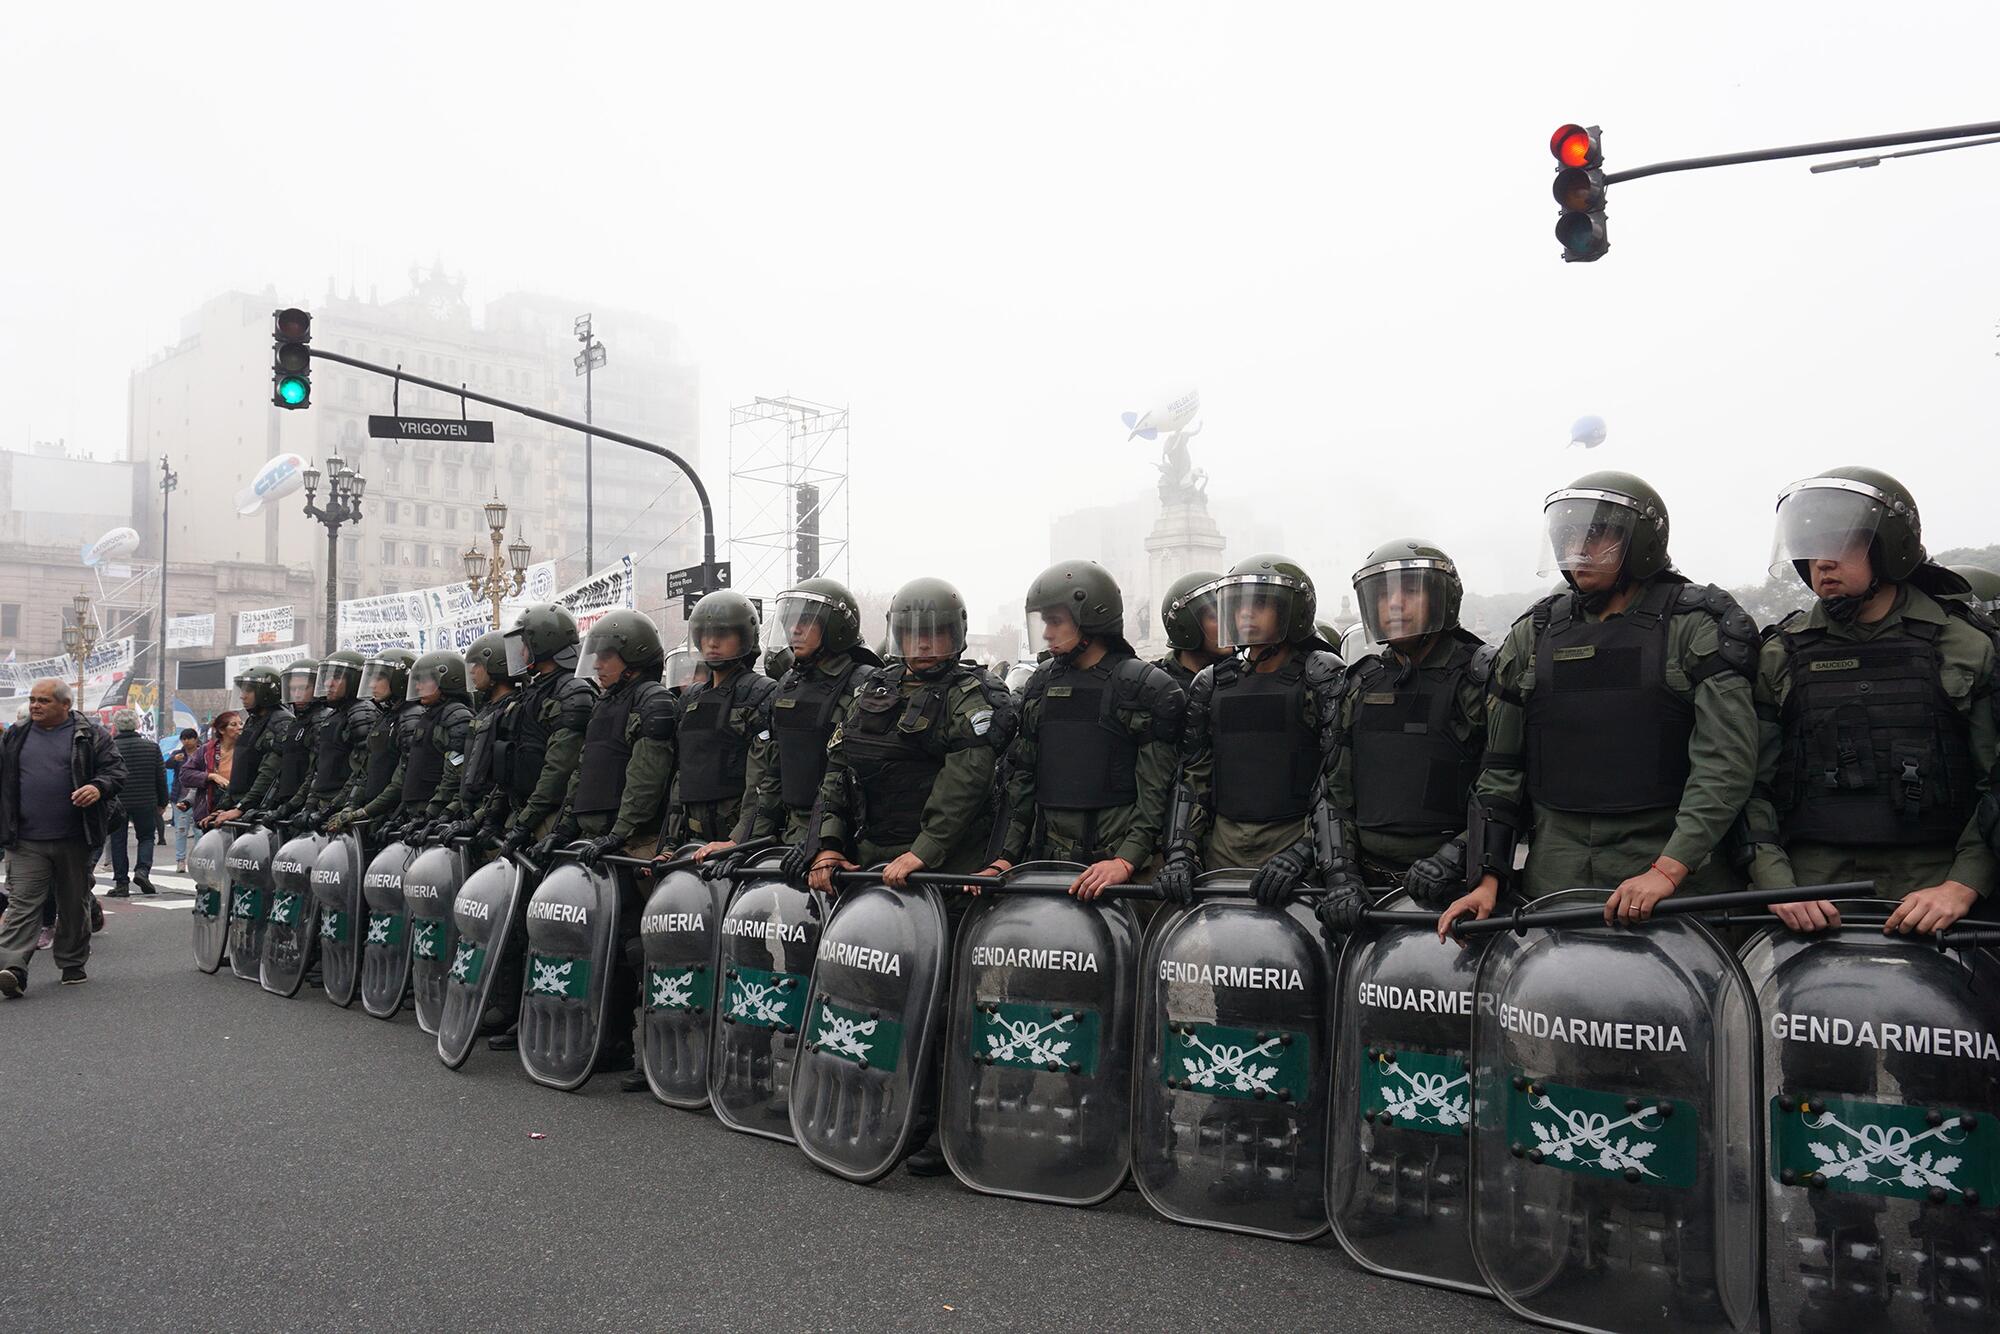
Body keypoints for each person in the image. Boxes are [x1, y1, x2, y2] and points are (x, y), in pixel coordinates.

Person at [1438, 471, 1760, 938]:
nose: (1579, 547)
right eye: (1567, 534)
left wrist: (1668, 869)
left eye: (1597, 533)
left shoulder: (1694, 625)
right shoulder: (1535, 631)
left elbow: (1725, 762)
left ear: (1641, 541)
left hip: (1670, 885)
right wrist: (1487, 878)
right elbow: (1502, 768)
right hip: (1556, 883)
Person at [806, 576, 1015, 1174]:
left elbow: (966, 785)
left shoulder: (977, 694)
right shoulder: (872, 688)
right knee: (868, 994)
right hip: (875, 865)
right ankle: (872, 1108)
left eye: (937, 634)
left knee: (943, 1004)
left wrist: (921, 854)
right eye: (913, 633)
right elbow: (838, 772)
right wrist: (827, 846)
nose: (924, 645)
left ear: (957, 635)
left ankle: (936, 1127)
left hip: (937, 874)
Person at [1747, 468, 1999, 934]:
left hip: (1934, 894)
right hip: (1811, 896)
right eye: (1811, 550)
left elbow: (1994, 783)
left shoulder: (1964, 646)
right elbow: (1751, 789)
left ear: (1889, 547)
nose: (1821, 564)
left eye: (1840, 545)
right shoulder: (1780, 654)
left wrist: (1963, 885)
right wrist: (1777, 885)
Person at [1157, 555, 1356, 917]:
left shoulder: (1320, 675)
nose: (1246, 614)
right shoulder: (1213, 682)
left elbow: (1337, 782)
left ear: (1290, 611)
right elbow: (1193, 777)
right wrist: (1180, 854)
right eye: (1239, 604)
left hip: (1293, 842)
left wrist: (1305, 853)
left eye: (1260, 604)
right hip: (1224, 847)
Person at [983, 560, 1184, 900]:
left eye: (1056, 621)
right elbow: (1022, 783)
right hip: (1047, 868)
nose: (1046, 633)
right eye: (1044, 622)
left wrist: (1127, 859)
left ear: (1092, 617)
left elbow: (1156, 791)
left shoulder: (1141, 687)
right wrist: (1004, 859)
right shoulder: (1041, 684)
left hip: (1117, 875)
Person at [547, 609, 681, 1080]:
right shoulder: (606, 702)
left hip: (632, 842)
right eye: (596, 654)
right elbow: (584, 771)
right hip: (599, 839)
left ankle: (656, 1055)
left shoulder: (653, 701)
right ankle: (611, 1040)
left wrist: (620, 834)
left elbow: (646, 778)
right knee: (597, 944)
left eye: (608, 655)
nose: (598, 663)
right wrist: (565, 827)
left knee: (638, 948)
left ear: (635, 657)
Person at [1326, 540, 1493, 906]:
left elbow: (1505, 787)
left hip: (1456, 886)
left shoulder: (1478, 678)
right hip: (1366, 885)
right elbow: (1334, 794)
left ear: (1442, 598)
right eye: (1383, 595)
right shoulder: (1360, 682)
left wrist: (1453, 857)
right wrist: (1341, 876)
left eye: (1411, 591)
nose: (1395, 604)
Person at [0, 679, 127, 995]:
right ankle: (13, 967)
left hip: (75, 837)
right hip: (26, 838)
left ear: (65, 705)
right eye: (32, 700)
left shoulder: (89, 735)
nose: (35, 706)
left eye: (43, 700)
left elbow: (116, 771)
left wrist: (97, 786)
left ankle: (72, 963)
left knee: (72, 904)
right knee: (22, 904)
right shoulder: (17, 735)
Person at [754, 580, 881, 860]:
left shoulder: (865, 682)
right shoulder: (787, 683)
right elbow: (775, 770)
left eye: (806, 620)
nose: (794, 629)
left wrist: (821, 842)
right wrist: (750, 841)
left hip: (844, 843)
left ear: (835, 627)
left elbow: (854, 773)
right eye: (790, 621)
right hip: (791, 835)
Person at [674, 590, 778, 860]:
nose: (711, 643)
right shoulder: (691, 698)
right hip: (694, 840)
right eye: (705, 635)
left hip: (740, 842)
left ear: (744, 637)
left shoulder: (760, 692)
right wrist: (669, 845)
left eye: (722, 634)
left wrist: (739, 841)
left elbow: (763, 778)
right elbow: (681, 776)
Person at [494, 606, 598, 859]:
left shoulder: (572, 691)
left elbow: (559, 768)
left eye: (524, 643)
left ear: (542, 643)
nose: (520, 652)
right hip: (526, 813)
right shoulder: (534, 691)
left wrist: (526, 822)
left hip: (549, 817)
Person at [344, 651, 472, 842]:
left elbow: (455, 775)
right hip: (415, 814)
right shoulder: (427, 716)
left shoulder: (455, 716)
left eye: (424, 680)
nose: (417, 686)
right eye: (416, 680)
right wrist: (394, 815)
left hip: (436, 817)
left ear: (448, 679)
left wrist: (434, 814)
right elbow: (405, 775)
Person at [422, 631, 516, 855]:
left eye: (477, 664)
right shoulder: (485, 711)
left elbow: (502, 783)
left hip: (497, 824)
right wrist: (445, 813)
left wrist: (478, 819)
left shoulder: (512, 709)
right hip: (474, 817)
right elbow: (465, 774)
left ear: (497, 664)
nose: (472, 671)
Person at [274, 651, 368, 831]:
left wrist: (342, 807)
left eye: (336, 678)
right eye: (293, 688)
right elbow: (317, 770)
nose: (328, 684)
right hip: (322, 805)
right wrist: (306, 806)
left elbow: (363, 770)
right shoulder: (331, 716)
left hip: (343, 809)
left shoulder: (359, 712)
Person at [326, 650, 417, 834]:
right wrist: (348, 806)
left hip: (394, 817)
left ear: (399, 679)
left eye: (379, 679)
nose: (372, 685)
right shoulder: (385, 717)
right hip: (375, 814)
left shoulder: (411, 716)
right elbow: (363, 772)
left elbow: (403, 780)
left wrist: (364, 811)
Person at [205, 666, 294, 828]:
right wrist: (223, 806)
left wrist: (242, 807)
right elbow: (241, 769)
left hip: (261, 810)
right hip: (245, 805)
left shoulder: (281, 722)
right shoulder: (253, 720)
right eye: (242, 690)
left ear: (265, 692)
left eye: (249, 690)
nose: (242, 696)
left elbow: (269, 773)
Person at [104, 709, 168, 896]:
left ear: (116, 726)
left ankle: (121, 883)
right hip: (146, 801)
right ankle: (142, 871)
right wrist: (163, 801)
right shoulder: (152, 747)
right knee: (146, 837)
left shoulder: (110, 748)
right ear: (138, 724)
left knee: (118, 841)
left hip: (118, 802)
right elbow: (160, 777)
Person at [1153, 569, 1227, 691]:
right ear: (1186, 624)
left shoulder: (1243, 676)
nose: (1228, 624)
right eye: (1215, 617)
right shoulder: (1154, 685)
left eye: (1230, 615)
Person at [179, 711, 239, 829]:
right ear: (222, 730)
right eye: (234, 724)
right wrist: (210, 776)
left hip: (238, 810)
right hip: (211, 812)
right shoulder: (206, 750)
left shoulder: (247, 750)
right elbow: (185, 774)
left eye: (241, 723)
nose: (240, 727)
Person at [163, 728, 200, 871]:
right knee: (181, 830)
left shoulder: (203, 752)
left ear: (195, 739)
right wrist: (173, 759)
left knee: (198, 830)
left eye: (189, 738)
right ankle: (180, 860)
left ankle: (198, 859)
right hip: (179, 795)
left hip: (198, 796)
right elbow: (167, 765)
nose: (186, 741)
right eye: (183, 739)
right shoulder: (178, 754)